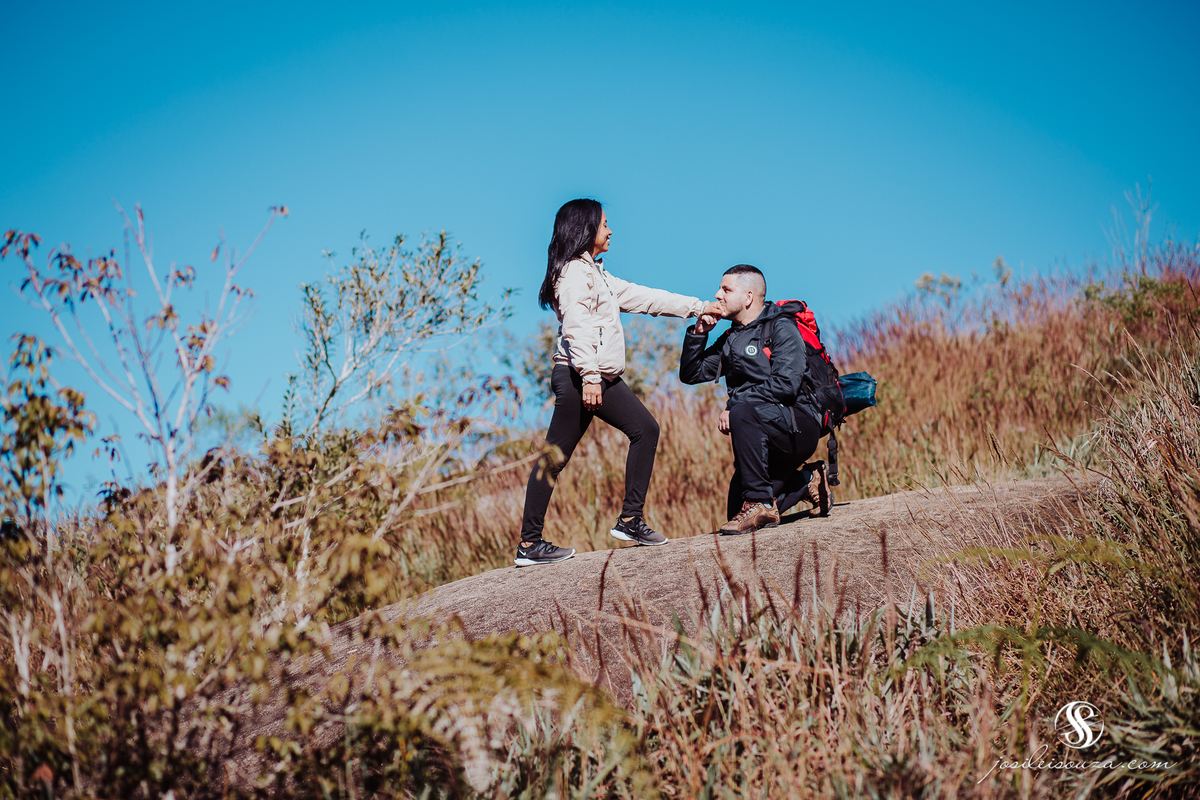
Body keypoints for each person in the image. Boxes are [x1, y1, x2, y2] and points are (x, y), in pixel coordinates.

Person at [515, 199, 721, 566]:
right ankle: (530, 544)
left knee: (645, 429)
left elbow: (647, 298)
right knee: (554, 459)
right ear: (585, 228)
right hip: (582, 376)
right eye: (605, 224)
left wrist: (699, 306)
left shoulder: (599, 276)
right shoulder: (574, 274)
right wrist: (590, 378)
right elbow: (576, 326)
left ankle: (630, 521)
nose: (610, 231)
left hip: (599, 377)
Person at [679, 264, 831, 534]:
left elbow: (786, 385)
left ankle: (761, 501)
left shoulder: (781, 328)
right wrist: (699, 332)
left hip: (798, 426)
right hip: (760, 437)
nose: (717, 295)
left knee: (741, 412)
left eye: (726, 289)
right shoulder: (731, 339)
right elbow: (692, 373)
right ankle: (807, 481)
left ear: (748, 297)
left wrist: (734, 404)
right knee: (736, 514)